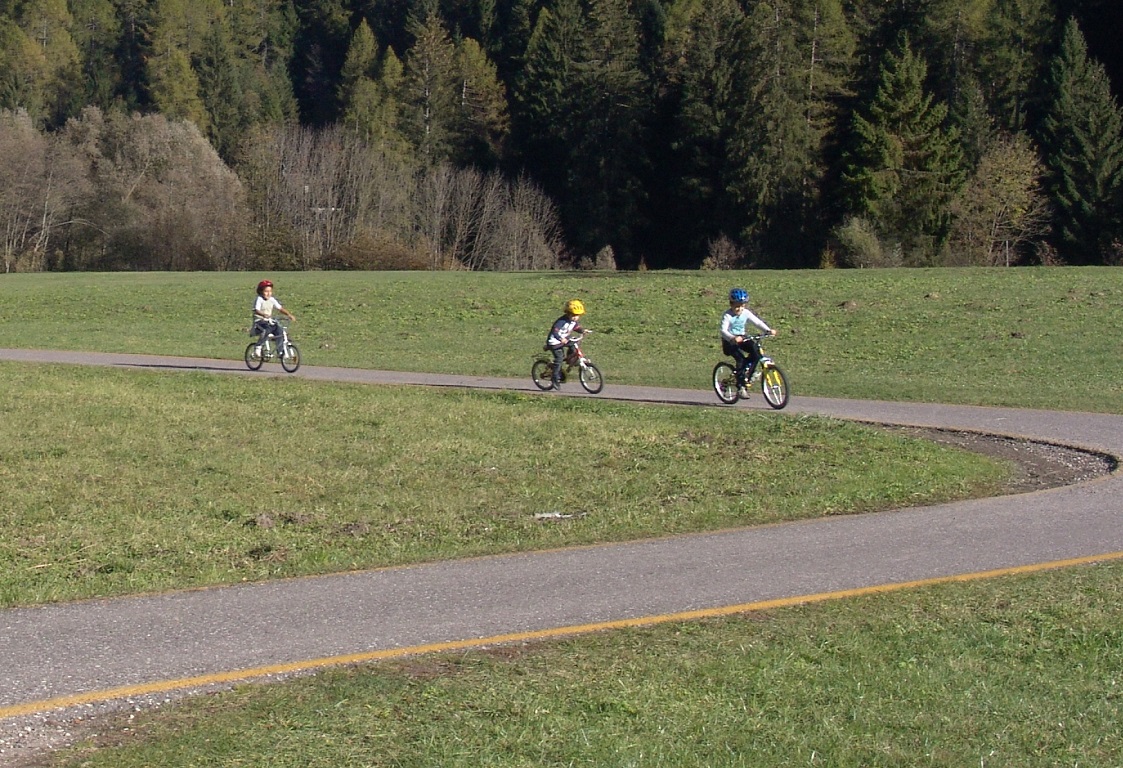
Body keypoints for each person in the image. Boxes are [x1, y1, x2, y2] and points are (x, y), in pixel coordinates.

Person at [720, 287, 776, 398]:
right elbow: (723, 330)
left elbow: (757, 323)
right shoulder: (727, 315)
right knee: (740, 360)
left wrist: (768, 330)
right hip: (729, 342)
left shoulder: (746, 313)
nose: (739, 309)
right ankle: (741, 387)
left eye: (741, 306)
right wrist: (732, 337)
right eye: (736, 306)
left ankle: (750, 372)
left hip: (742, 339)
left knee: (756, 352)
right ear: (731, 304)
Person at [545, 299, 586, 388]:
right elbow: (554, 331)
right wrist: (560, 339)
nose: (576, 317)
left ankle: (571, 360)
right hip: (554, 342)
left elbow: (576, 327)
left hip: (565, 340)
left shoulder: (573, 321)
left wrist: (582, 331)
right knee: (559, 358)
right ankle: (555, 378)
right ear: (568, 313)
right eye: (574, 315)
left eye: (578, 315)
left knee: (573, 346)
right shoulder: (561, 321)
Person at [251, 279, 296, 357]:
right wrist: (263, 314)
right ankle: (258, 346)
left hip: (268, 321)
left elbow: (280, 308)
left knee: (280, 331)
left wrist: (288, 314)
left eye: (270, 291)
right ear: (261, 291)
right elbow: (256, 310)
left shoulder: (272, 299)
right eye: (266, 291)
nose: (268, 293)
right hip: (259, 321)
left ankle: (280, 351)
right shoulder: (259, 299)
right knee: (267, 329)